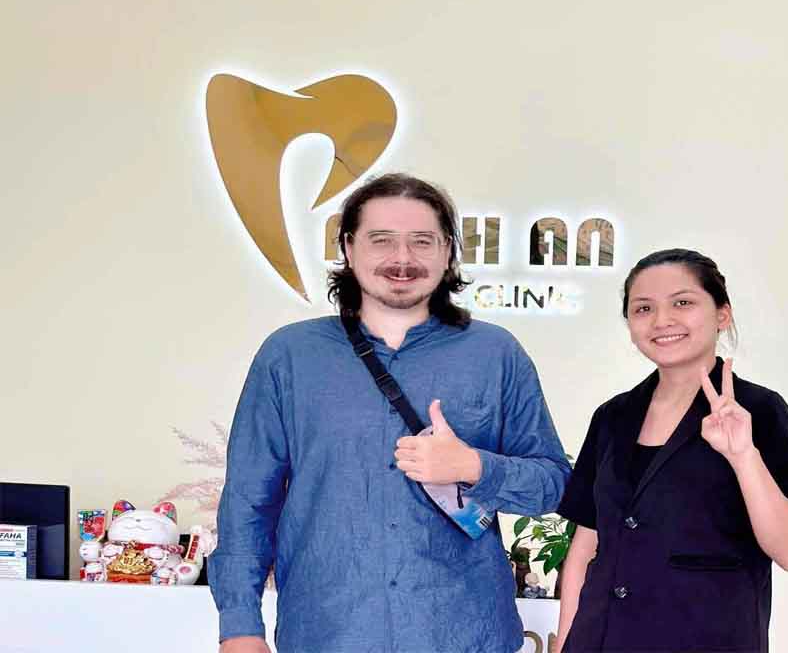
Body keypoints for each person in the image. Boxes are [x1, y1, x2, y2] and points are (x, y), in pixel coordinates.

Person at [209, 173, 571, 653]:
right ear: (348, 247)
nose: (403, 258)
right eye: (381, 240)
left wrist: (473, 466)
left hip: (463, 633)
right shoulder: (290, 357)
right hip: (328, 631)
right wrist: (239, 626)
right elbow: (248, 502)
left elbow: (553, 484)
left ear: (447, 251)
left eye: (422, 241)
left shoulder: (495, 354)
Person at [554, 248, 788, 653]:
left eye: (682, 303)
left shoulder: (759, 410)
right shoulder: (612, 416)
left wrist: (743, 455)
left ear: (722, 314)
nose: (662, 320)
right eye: (643, 308)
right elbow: (585, 549)